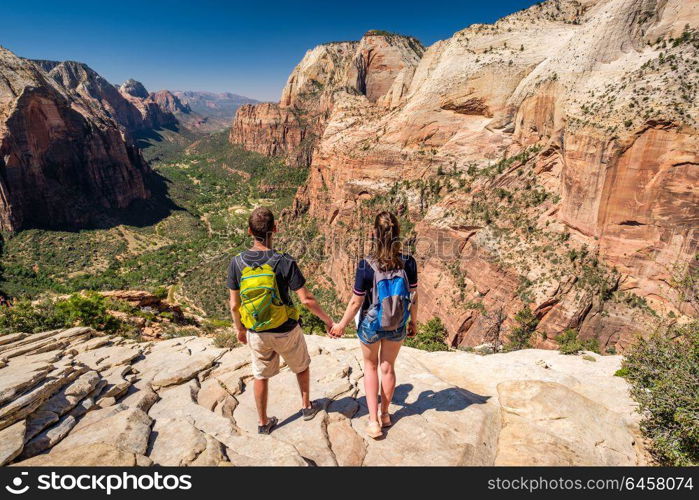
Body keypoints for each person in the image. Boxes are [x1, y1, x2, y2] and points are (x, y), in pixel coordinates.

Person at [228, 207, 334, 435]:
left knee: (260, 375)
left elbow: (234, 305)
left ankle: (263, 422)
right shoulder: (284, 261)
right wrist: (328, 321)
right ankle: (306, 407)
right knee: (301, 366)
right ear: (275, 229)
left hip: (256, 330)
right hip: (286, 329)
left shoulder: (236, 263)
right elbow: (305, 300)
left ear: (249, 231)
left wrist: (240, 329)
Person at [330, 211, 418, 438]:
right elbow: (414, 295)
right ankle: (386, 414)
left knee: (370, 368)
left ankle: (373, 421)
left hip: (371, 322)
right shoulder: (409, 262)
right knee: (387, 367)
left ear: (373, 234)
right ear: (398, 234)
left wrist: (340, 325)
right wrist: (413, 322)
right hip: (397, 321)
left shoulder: (366, 265)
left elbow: (356, 301)